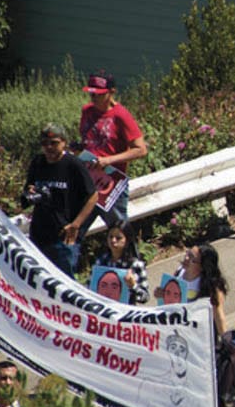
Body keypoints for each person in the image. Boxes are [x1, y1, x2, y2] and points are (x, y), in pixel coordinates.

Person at [21, 124, 98, 278]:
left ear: (64, 142)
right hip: (39, 234)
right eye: (45, 144)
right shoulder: (38, 162)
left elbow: (93, 196)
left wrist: (76, 225)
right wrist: (28, 193)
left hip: (64, 236)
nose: (49, 147)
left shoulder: (73, 165)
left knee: (65, 284)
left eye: (54, 143)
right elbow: (27, 193)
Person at [78, 70, 147, 229]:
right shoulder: (86, 111)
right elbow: (89, 141)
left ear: (112, 92)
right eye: (91, 94)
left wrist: (108, 160)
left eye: (99, 94)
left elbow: (140, 150)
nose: (94, 98)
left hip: (111, 183)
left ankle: (129, 255)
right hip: (88, 180)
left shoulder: (120, 115)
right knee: (75, 228)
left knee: (119, 231)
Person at [154, 244, 228, 335]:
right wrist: (160, 294)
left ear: (202, 266)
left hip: (200, 334)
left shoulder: (210, 286)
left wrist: (226, 341)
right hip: (180, 329)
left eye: (192, 259)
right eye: (187, 253)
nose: (186, 258)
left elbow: (218, 315)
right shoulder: (180, 272)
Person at [92, 221, 150, 305]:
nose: (113, 240)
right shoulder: (101, 262)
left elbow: (145, 297)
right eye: (110, 237)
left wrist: (133, 286)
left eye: (118, 238)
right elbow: (89, 288)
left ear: (127, 240)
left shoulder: (136, 265)